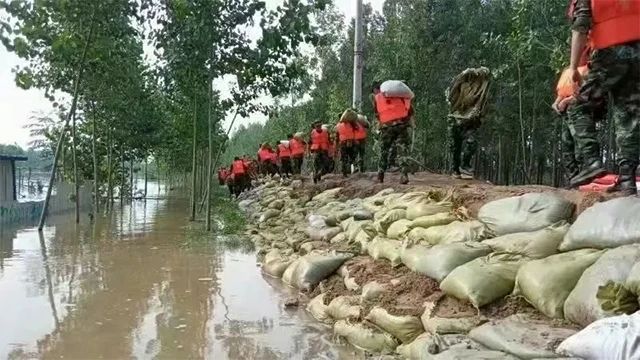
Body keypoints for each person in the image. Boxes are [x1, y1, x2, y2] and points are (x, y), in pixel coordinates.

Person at [567, 0, 640, 195]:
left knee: (577, 107)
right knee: (628, 115)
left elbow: (581, 24)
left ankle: (592, 162)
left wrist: (573, 67)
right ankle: (627, 180)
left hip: (610, 50)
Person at [446, 67, 491, 180]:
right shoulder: (459, 85)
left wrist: (477, 113)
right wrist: (464, 72)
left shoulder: (481, 90)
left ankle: (465, 164)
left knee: (472, 142)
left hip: (470, 122)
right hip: (456, 120)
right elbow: (452, 90)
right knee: (455, 147)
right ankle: (455, 170)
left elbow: (483, 105)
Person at [553, 64, 589, 186]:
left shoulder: (587, 68)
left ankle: (582, 180)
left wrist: (567, 101)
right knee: (567, 146)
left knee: (580, 145)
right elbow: (561, 92)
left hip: (579, 111)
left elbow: (587, 93)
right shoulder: (567, 71)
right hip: (566, 112)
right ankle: (572, 180)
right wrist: (557, 103)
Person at [372, 82, 414, 184]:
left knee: (384, 151)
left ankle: (380, 176)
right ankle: (404, 175)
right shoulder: (403, 97)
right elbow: (410, 112)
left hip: (387, 127)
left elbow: (377, 114)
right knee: (402, 151)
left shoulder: (377, 98)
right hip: (401, 126)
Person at [336, 113, 356, 177]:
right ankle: (348, 170)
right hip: (349, 143)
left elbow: (337, 136)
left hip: (343, 143)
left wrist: (337, 146)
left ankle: (345, 173)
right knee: (351, 156)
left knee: (344, 159)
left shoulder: (338, 125)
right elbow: (355, 129)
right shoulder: (350, 124)